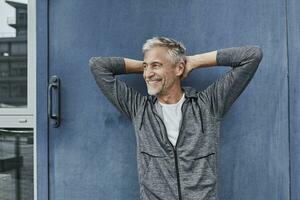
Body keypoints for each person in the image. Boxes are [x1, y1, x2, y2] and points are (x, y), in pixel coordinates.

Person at [89, 36, 263, 200]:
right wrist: (147, 66)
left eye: (156, 65)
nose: (147, 74)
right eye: (145, 67)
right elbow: (98, 65)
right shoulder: (138, 108)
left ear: (179, 68)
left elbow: (252, 56)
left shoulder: (208, 105)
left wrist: (193, 62)